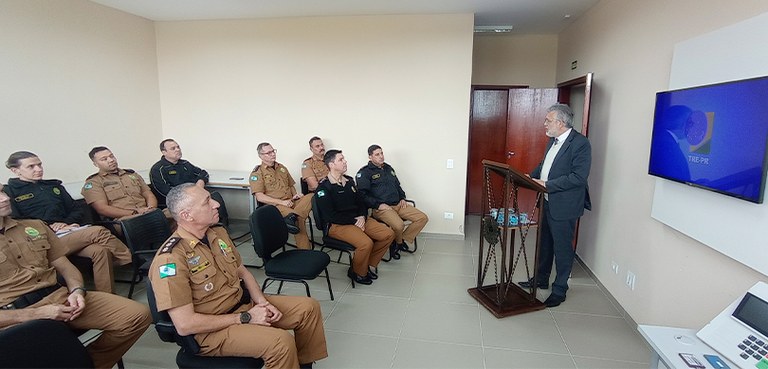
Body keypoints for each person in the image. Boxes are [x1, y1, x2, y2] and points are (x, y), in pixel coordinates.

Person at [148, 183, 327, 369]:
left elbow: (242, 271)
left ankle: (303, 365)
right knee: (280, 343)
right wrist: (246, 318)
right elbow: (185, 324)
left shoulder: (217, 233)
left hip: (243, 306)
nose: (216, 204)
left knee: (308, 308)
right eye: (207, 202)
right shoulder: (170, 259)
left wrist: (261, 302)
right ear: (187, 215)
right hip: (211, 330)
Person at [0, 184, 151, 369]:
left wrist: (77, 290)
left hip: (60, 298)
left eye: (2, 192)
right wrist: (36, 313)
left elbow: (66, 267)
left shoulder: (34, 226)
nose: (5, 198)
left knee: (137, 316)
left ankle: (88, 363)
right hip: (14, 315)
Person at [4, 151, 132, 293]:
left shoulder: (53, 186)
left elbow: (76, 209)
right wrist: (49, 228)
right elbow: (17, 222)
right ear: (15, 170)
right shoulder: (9, 192)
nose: (38, 169)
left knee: (100, 251)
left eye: (39, 165)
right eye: (31, 167)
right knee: (97, 231)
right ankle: (128, 260)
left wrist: (66, 223)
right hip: (41, 240)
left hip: (67, 231)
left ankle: (108, 295)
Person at [517, 103, 591, 308]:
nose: (544, 124)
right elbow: (545, 165)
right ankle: (541, 278)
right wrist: (530, 177)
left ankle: (559, 290)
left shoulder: (580, 143)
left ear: (560, 122)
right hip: (547, 200)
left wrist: (547, 184)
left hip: (565, 205)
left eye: (548, 120)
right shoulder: (552, 141)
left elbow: (578, 177)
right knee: (544, 243)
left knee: (562, 248)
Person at [315, 149, 394, 285]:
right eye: (341, 159)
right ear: (332, 165)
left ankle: (366, 264)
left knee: (388, 234)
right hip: (338, 225)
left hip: (358, 219)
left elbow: (360, 202)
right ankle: (358, 273)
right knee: (365, 243)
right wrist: (354, 221)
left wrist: (362, 217)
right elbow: (330, 215)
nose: (345, 161)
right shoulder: (324, 187)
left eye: (344, 158)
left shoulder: (349, 181)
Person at [356, 144, 428, 259]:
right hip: (382, 209)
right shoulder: (365, 173)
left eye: (382, 153)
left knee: (422, 218)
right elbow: (362, 195)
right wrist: (378, 205)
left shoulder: (388, 168)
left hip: (398, 204)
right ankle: (398, 243)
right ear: (370, 157)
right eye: (377, 154)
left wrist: (402, 198)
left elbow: (398, 186)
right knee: (399, 225)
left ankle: (399, 241)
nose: (381, 156)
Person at [249, 142, 313, 249]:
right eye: (268, 153)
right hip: (275, 206)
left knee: (311, 196)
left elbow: (290, 185)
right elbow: (260, 197)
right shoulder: (257, 173)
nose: (272, 154)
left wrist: (295, 195)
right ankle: (305, 250)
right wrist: (282, 202)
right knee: (299, 220)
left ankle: (291, 218)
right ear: (261, 156)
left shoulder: (281, 168)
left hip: (291, 201)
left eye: (273, 151)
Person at [82, 146, 159, 220]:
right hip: (124, 218)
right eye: (104, 159)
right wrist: (135, 213)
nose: (111, 160)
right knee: (147, 222)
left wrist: (151, 208)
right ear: (95, 164)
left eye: (111, 156)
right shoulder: (94, 182)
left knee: (169, 212)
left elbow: (148, 193)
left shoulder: (131, 174)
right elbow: (102, 208)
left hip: (147, 212)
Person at [149, 138, 210, 205]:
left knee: (213, 201)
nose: (178, 150)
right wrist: (191, 196)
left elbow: (203, 173)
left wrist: (201, 182)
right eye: (173, 148)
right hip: (175, 204)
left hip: (194, 198)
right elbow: (166, 193)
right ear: (164, 152)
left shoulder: (185, 163)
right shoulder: (157, 169)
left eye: (178, 147)